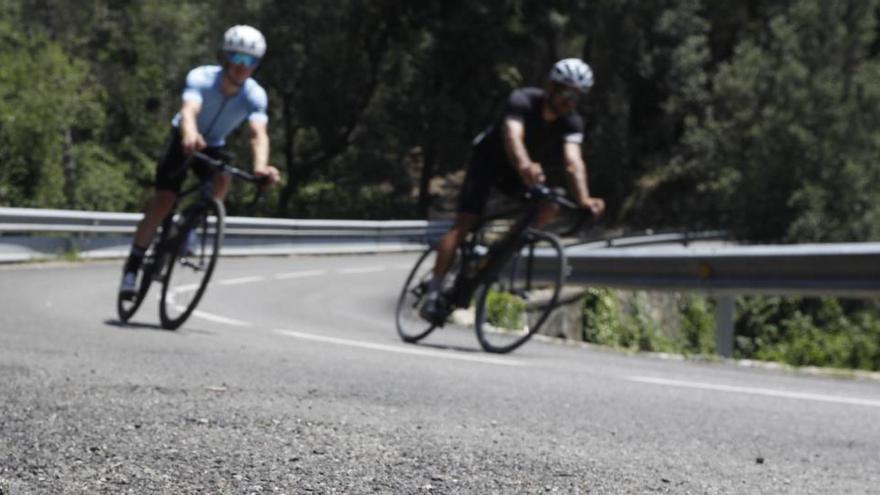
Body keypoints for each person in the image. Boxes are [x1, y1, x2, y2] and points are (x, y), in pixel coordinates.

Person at [420, 58, 606, 323]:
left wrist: (585, 199)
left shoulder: (572, 122)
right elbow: (512, 137)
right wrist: (525, 165)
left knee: (549, 206)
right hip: (488, 163)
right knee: (465, 224)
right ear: (551, 87)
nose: (570, 102)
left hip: (517, 175)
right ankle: (434, 292)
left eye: (577, 96)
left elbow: (574, 162)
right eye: (566, 93)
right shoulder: (523, 100)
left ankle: (501, 251)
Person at [119, 25, 281, 297]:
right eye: (238, 58)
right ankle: (132, 269)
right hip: (183, 138)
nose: (243, 67)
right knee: (164, 200)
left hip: (214, 144)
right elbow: (189, 110)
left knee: (222, 178)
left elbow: (258, 133)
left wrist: (261, 167)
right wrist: (190, 134)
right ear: (226, 57)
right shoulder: (201, 78)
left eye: (251, 61)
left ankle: (190, 227)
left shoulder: (255, 94)